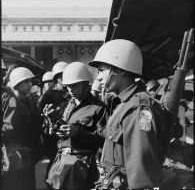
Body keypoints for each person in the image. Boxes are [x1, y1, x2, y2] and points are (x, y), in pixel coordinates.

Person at [88, 39, 173, 189]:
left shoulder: (139, 108)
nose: (98, 77)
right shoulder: (123, 104)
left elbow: (141, 171)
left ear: (120, 69)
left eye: (102, 70)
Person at [47, 62, 107, 190]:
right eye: (68, 86)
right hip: (62, 161)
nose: (71, 90)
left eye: (75, 86)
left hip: (82, 168)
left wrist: (77, 133)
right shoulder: (69, 104)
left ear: (86, 84)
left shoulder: (98, 108)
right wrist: (57, 129)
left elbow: (103, 140)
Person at [1, 67, 42, 190]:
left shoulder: (28, 100)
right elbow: (10, 128)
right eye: (25, 82)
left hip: (29, 151)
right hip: (17, 151)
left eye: (30, 81)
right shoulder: (11, 100)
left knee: (28, 183)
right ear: (16, 83)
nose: (29, 84)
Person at [37, 61, 70, 182]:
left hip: (66, 132)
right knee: (54, 161)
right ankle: (50, 183)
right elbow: (39, 112)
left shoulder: (69, 92)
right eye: (62, 76)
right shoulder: (49, 94)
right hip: (52, 136)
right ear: (57, 78)